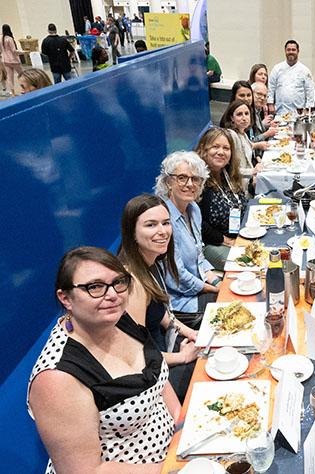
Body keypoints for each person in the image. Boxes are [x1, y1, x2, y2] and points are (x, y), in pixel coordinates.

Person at [27, 246, 179, 472]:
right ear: (66, 298)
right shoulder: (57, 378)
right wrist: (172, 469)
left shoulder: (119, 319)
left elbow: (159, 383)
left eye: (119, 282)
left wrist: (184, 431)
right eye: (95, 287)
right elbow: (85, 471)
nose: (113, 295)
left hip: (173, 455)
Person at [118, 194, 201, 401]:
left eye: (166, 223)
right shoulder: (132, 282)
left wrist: (191, 332)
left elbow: (159, 312)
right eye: (151, 225)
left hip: (163, 350)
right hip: (151, 374)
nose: (162, 231)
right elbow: (135, 354)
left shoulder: (150, 259)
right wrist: (182, 357)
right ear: (132, 233)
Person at [154, 151, 222, 329]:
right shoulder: (165, 219)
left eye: (196, 179)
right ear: (168, 182)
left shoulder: (193, 209)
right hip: (180, 301)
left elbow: (199, 256)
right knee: (227, 312)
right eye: (182, 178)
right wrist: (212, 289)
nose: (190, 184)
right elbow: (176, 277)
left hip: (198, 287)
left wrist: (217, 281)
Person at [195, 128, 249, 270]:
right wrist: (226, 240)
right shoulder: (198, 180)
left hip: (237, 236)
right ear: (203, 149)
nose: (221, 152)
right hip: (211, 244)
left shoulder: (227, 174)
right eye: (215, 146)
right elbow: (197, 223)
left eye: (226, 148)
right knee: (246, 263)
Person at [221, 99, 264, 192]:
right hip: (240, 187)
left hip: (249, 181)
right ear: (232, 118)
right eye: (239, 114)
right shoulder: (232, 135)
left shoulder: (243, 133)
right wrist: (252, 172)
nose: (244, 118)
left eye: (246, 114)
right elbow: (229, 169)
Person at [267, 40, 315, 114]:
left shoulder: (305, 71)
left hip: (299, 111)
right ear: (285, 51)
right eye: (288, 50)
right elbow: (271, 87)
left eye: (293, 50)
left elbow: (310, 91)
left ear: (298, 51)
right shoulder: (277, 69)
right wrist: (270, 104)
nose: (291, 52)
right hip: (280, 110)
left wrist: (309, 109)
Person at [1, 24, 25, 96]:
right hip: (14, 60)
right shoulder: (10, 39)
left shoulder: (1, 38)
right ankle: (24, 88)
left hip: (5, 60)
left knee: (10, 77)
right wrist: (23, 52)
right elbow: (14, 51)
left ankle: (13, 93)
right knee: (22, 75)